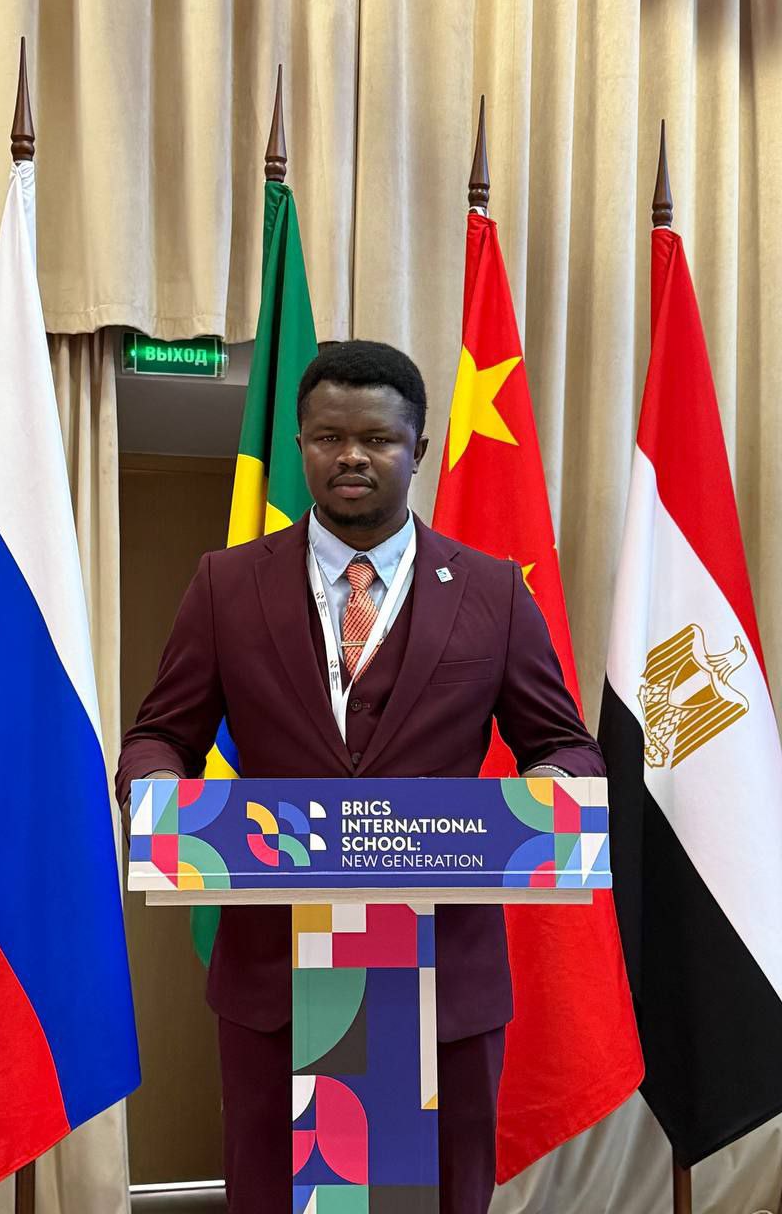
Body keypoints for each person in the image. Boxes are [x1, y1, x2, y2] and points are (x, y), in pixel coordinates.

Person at [117, 339, 605, 1214]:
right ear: (300, 443)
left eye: (377, 439)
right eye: (328, 437)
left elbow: (565, 746)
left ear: (418, 449)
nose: (351, 456)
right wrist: (156, 795)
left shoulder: (493, 592)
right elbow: (160, 735)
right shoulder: (226, 585)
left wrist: (544, 805)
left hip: (443, 984)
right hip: (276, 982)